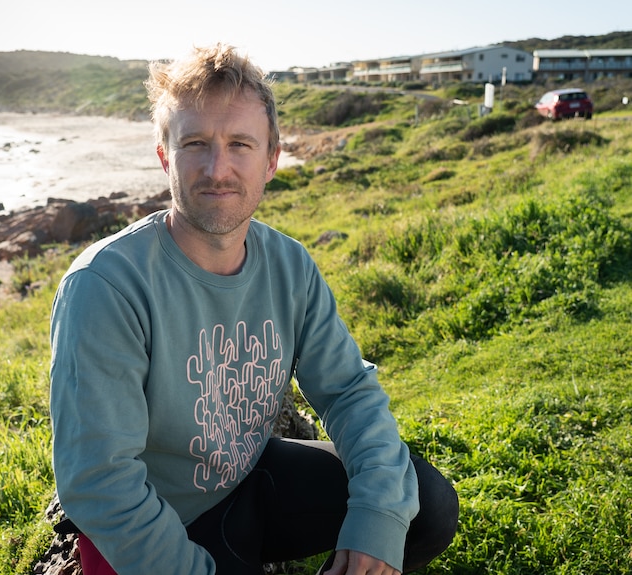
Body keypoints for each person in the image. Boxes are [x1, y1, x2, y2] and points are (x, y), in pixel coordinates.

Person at [49, 43, 458, 575]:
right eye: (195, 142)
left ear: (271, 160)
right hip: (153, 531)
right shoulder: (105, 286)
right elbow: (99, 481)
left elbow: (349, 392)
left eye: (240, 144)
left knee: (425, 504)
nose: (218, 168)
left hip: (248, 482)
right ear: (164, 156)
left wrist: (377, 520)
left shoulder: (289, 264)